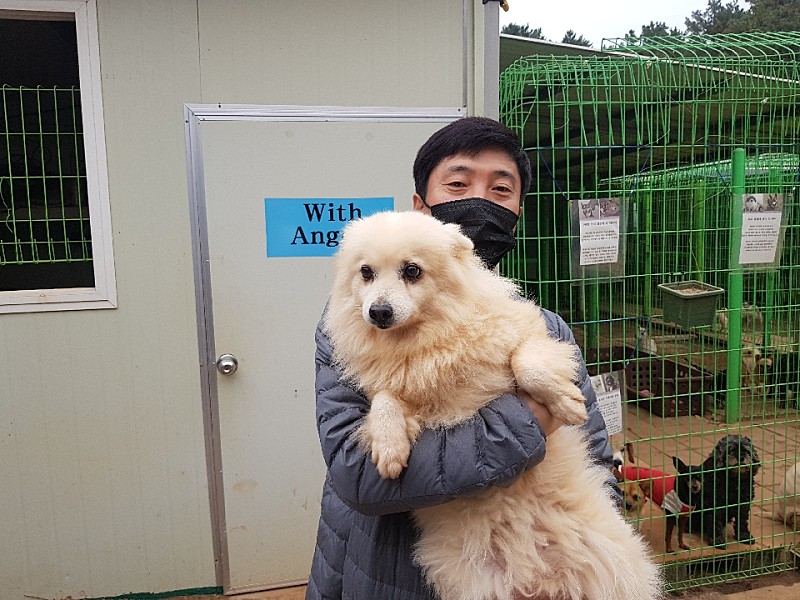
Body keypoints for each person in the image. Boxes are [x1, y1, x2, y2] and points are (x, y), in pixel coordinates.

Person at [306, 116, 617, 600]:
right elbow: (361, 476)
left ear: (518, 209)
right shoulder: (350, 332)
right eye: (458, 183)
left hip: (554, 546)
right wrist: (526, 422)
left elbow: (594, 451)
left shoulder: (546, 326)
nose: (479, 200)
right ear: (421, 205)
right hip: (402, 574)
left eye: (501, 189)